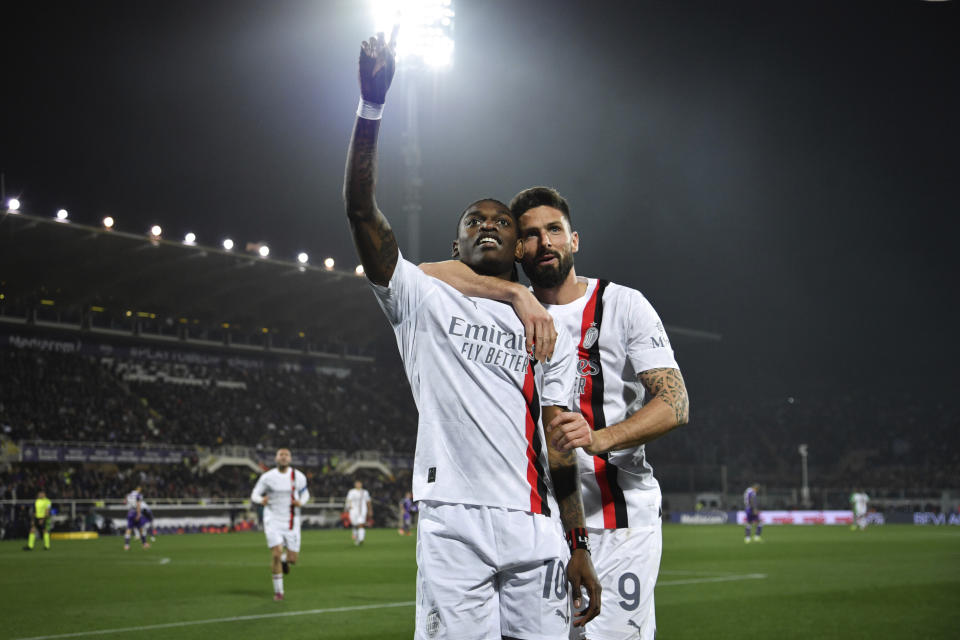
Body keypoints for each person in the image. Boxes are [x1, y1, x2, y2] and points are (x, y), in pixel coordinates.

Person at [344, 30, 601, 638]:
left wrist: (579, 543)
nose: (488, 226)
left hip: (536, 524)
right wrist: (371, 107)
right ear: (454, 244)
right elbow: (360, 212)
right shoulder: (422, 295)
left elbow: (558, 446)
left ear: (519, 245)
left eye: (501, 222)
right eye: (473, 221)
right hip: (452, 522)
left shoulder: (549, 328)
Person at [423, 186, 690, 640]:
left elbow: (675, 403)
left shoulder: (623, 304)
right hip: (541, 526)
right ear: (516, 247)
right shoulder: (502, 309)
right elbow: (427, 272)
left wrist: (598, 438)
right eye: (529, 234)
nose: (544, 242)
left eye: (554, 230)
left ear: (574, 240)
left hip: (618, 518)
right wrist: (515, 293)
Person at [250, 448, 310, 601]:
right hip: (273, 520)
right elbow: (255, 494)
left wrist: (301, 502)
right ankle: (279, 592)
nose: (283, 457)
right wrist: (260, 500)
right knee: (276, 553)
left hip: (291, 521)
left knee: (293, 560)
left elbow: (305, 493)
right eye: (281, 455)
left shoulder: (298, 476)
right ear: (276, 458)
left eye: (286, 455)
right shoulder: (267, 477)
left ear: (290, 459)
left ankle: (285, 560)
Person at [344, 479, 372, 545]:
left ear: (361, 484)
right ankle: (357, 537)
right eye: (357, 483)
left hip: (362, 510)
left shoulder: (365, 492)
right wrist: (348, 507)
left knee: (361, 524)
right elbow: (348, 500)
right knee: (354, 524)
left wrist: (370, 510)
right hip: (353, 510)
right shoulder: (351, 492)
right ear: (355, 485)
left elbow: (368, 501)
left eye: (359, 483)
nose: (358, 485)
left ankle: (361, 539)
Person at [123, 485, 150, 550]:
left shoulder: (129, 495)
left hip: (130, 512)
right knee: (141, 528)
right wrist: (138, 514)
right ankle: (144, 544)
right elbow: (138, 504)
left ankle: (126, 545)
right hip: (135, 512)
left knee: (129, 529)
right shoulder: (138, 495)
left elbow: (124, 502)